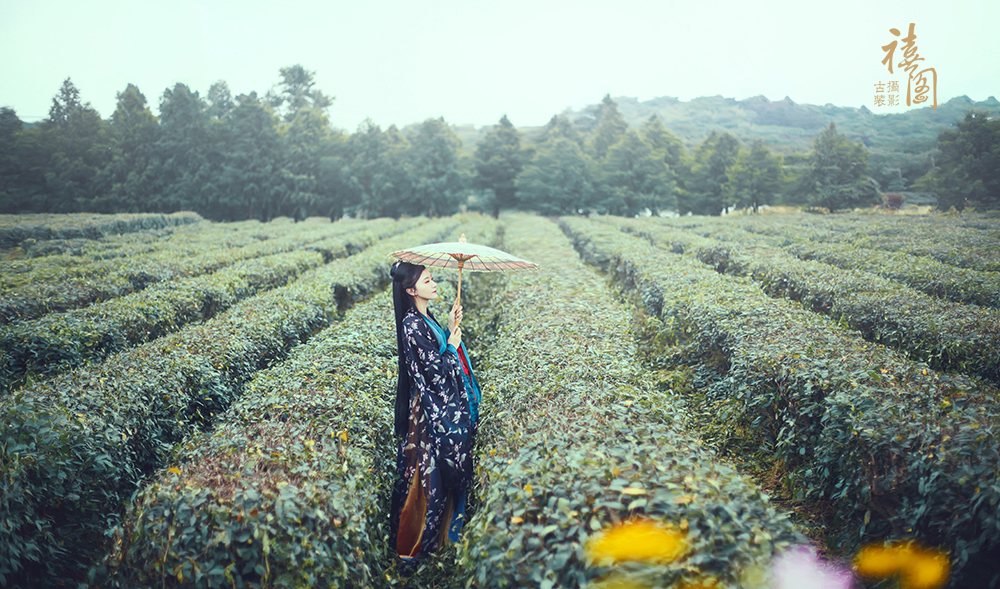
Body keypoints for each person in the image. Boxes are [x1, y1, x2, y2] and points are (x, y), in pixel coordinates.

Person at [388, 260, 482, 564]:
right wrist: (452, 346)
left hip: (438, 404)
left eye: (432, 279)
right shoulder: (412, 324)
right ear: (412, 289)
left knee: (441, 469)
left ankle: (446, 539)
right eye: (428, 281)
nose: (434, 284)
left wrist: (452, 329)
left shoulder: (425, 319)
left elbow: (441, 356)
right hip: (430, 411)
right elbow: (436, 373)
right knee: (429, 473)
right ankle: (424, 545)